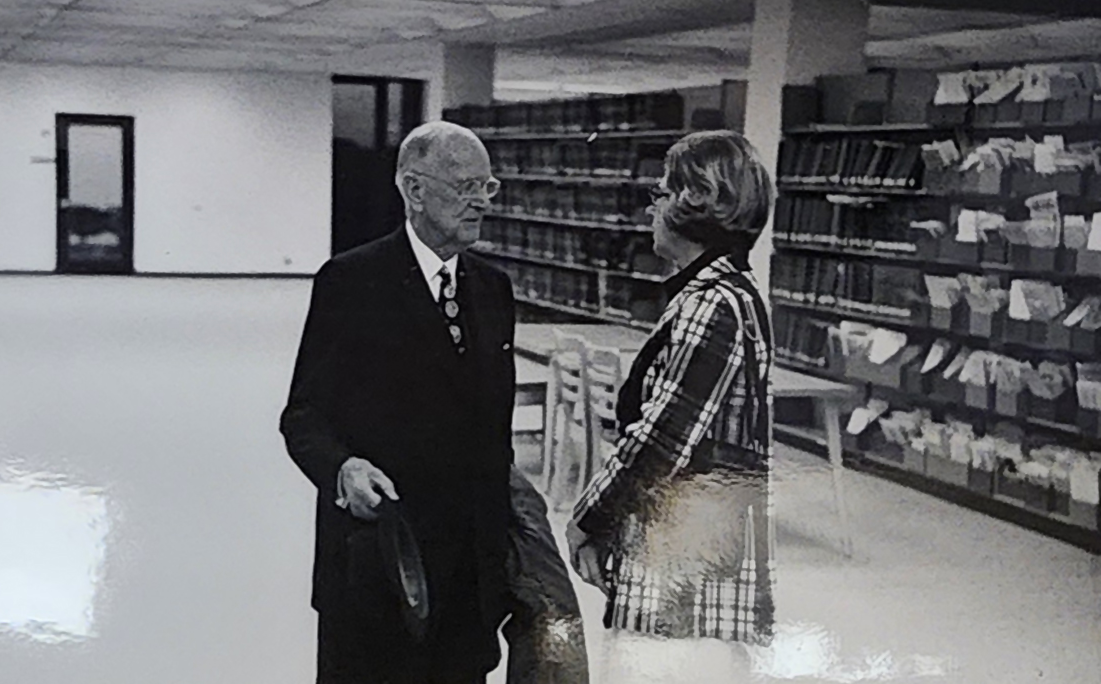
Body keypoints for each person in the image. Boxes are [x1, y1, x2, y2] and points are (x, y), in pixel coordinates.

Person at [280, 120, 586, 684]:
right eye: (465, 185)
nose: (480, 203)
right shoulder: (351, 282)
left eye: (488, 188)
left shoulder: (493, 289)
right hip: (377, 562)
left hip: (468, 576)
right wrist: (342, 468)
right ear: (414, 190)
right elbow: (303, 416)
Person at [565, 130, 776, 683]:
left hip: (684, 569)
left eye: (662, 192)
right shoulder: (717, 294)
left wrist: (588, 518)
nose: (652, 206)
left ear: (697, 203)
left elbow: (661, 440)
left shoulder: (713, 305)